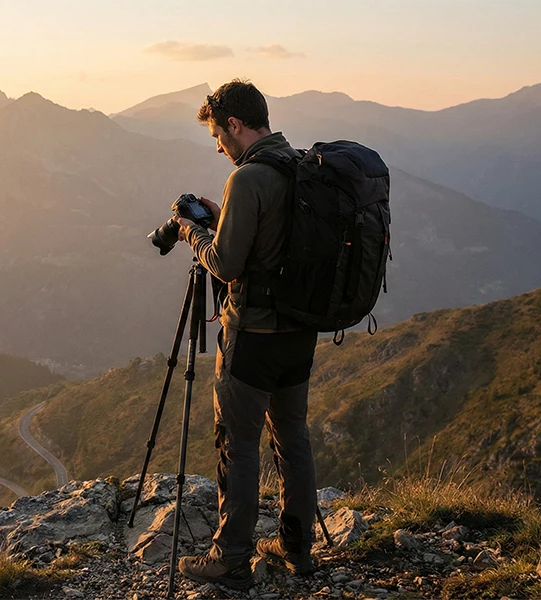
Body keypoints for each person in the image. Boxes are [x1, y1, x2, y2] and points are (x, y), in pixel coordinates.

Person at [172, 79, 319, 589]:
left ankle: (230, 557)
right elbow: (276, 236)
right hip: (300, 334)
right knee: (293, 439)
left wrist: (195, 232)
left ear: (234, 125)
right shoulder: (299, 166)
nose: (218, 146)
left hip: (253, 337)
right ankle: (297, 548)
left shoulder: (248, 178)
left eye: (218, 135)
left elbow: (228, 264)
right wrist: (223, 217)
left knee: (238, 445)